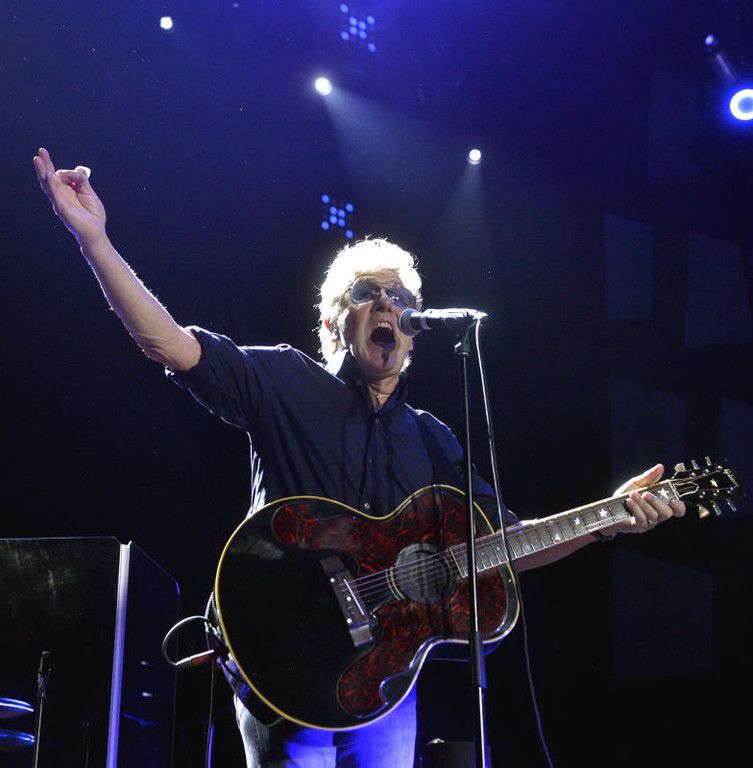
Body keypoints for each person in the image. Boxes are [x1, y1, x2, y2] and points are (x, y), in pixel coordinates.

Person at [33, 147, 686, 767]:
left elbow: (507, 543)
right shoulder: (284, 381)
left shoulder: (432, 439)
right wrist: (95, 241)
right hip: (285, 657)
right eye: (368, 294)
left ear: (414, 334)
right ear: (332, 323)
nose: (387, 307)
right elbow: (169, 345)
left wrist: (610, 518)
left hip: (384, 682)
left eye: (401, 301)